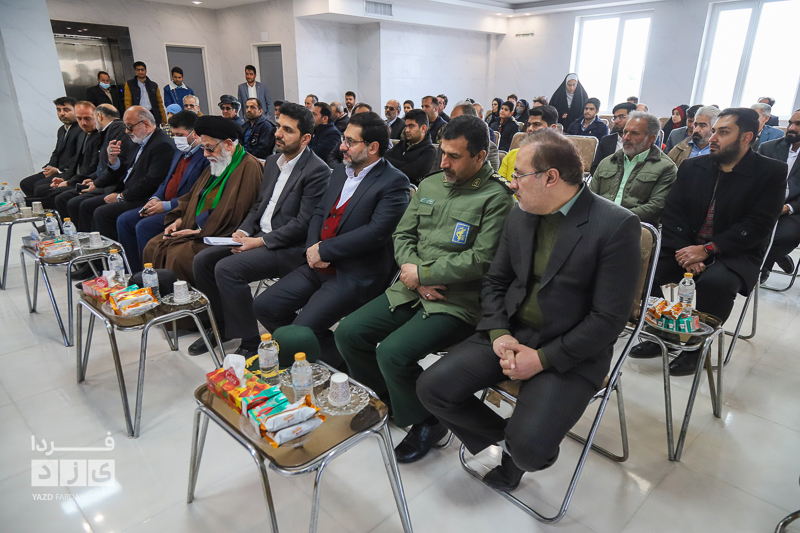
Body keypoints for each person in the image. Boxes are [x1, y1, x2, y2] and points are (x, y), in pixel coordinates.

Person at [417, 128, 642, 492]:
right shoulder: (522, 213)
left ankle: (522, 450)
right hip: (512, 330)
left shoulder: (615, 225)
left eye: (519, 175)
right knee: (432, 388)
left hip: (569, 348)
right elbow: (495, 281)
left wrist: (541, 360)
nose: (512, 183)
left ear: (550, 177)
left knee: (531, 453)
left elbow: (608, 319)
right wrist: (498, 332)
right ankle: (513, 442)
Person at [336, 115, 514, 463]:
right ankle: (386, 400)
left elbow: (482, 260)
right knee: (349, 333)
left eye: (454, 156)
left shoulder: (496, 198)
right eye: (442, 152)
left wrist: (423, 273)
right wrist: (413, 273)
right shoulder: (432, 185)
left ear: (480, 157)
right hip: (410, 286)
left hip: (456, 301)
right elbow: (402, 234)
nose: (443, 162)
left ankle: (427, 421)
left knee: (393, 353)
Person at [630, 108, 787, 376]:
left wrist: (708, 250)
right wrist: (686, 251)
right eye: (714, 131)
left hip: (735, 250)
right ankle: (662, 334)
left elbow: (759, 224)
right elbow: (673, 211)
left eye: (723, 132)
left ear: (746, 138)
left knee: (716, 283)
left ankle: (696, 347)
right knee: (655, 270)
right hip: (686, 245)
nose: (712, 137)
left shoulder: (770, 172)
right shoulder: (693, 166)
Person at [253, 112, 410, 367]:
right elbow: (319, 212)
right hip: (318, 265)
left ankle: (343, 366)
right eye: (343, 139)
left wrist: (325, 250)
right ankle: (328, 357)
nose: (342, 147)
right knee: (265, 306)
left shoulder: (394, 182)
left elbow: (376, 233)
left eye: (350, 142)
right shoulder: (339, 171)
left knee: (303, 329)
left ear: (372, 147)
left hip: (355, 272)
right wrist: (312, 249)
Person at [190, 102, 331, 357]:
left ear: (305, 138)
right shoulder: (274, 161)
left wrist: (260, 242)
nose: (278, 134)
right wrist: (244, 232)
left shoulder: (317, 170)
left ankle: (251, 340)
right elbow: (259, 206)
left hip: (287, 247)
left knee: (227, 269)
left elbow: (303, 223)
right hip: (258, 237)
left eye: (288, 130)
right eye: (279, 127)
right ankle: (221, 326)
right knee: (203, 261)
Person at [142, 115, 262, 283]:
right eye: (204, 148)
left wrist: (198, 232)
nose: (205, 154)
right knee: (153, 246)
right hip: (198, 227)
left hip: (221, 233)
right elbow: (194, 197)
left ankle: (192, 299)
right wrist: (180, 221)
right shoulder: (218, 162)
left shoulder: (249, 167)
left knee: (178, 256)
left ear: (228, 144)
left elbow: (237, 214)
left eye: (209, 148)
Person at [116, 110, 209, 273]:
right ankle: (134, 272)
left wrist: (166, 205)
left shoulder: (205, 156)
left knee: (144, 226)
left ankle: (153, 276)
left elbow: (200, 194)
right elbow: (166, 181)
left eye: (180, 135)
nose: (176, 139)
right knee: (124, 220)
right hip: (163, 203)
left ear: (195, 134)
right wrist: (155, 198)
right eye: (174, 134)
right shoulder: (179, 152)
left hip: (182, 209)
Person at [83, 106, 177, 240]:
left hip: (144, 197)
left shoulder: (162, 144)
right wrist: (114, 160)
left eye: (129, 127)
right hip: (127, 191)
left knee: (102, 213)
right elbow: (127, 169)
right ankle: (93, 247)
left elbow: (152, 181)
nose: (126, 131)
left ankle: (114, 251)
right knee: (86, 205)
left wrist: (121, 196)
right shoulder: (138, 140)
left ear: (146, 124)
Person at [55, 104, 134, 230]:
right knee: (63, 197)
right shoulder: (107, 131)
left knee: (76, 202)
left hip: (114, 185)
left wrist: (97, 183)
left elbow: (118, 164)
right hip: (103, 181)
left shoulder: (117, 129)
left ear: (99, 116)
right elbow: (101, 165)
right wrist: (93, 178)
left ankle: (87, 236)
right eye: (79, 118)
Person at [590, 112, 677, 225]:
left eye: (634, 133)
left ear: (651, 139)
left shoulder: (666, 167)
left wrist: (617, 218)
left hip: (635, 226)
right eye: (625, 132)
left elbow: (656, 207)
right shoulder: (608, 162)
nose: (626, 137)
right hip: (598, 221)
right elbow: (590, 196)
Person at [27, 101, 102, 210]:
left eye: (87, 118)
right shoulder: (82, 134)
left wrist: (69, 182)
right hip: (76, 177)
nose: (83, 123)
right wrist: (63, 179)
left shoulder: (99, 136)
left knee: (56, 196)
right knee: (39, 191)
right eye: (79, 119)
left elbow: (93, 167)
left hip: (88, 179)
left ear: (97, 116)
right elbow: (74, 161)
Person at [758, 109, 800, 283]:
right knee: (750, 229)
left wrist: (788, 208)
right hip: (764, 204)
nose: (791, 128)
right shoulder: (768, 147)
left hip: (794, 209)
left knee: (783, 237)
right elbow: (754, 179)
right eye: (790, 123)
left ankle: (764, 267)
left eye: (798, 124)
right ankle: (776, 256)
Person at [20, 97, 82, 197]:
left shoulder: (81, 129)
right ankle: (38, 205)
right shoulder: (62, 130)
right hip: (57, 169)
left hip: (70, 171)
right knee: (25, 183)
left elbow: (78, 156)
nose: (62, 113)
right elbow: (57, 152)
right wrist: (50, 166)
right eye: (59, 110)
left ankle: (47, 205)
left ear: (76, 111)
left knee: (39, 186)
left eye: (66, 110)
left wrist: (57, 170)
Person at [498, 105, 559, 181]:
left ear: (552, 128)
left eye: (537, 124)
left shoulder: (560, 160)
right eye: (529, 125)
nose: (530, 129)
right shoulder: (512, 155)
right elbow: (498, 186)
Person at [384, 109, 437, 186]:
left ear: (423, 129)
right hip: (389, 183)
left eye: (411, 126)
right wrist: (406, 164)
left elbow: (412, 173)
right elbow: (385, 158)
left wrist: (393, 165)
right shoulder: (401, 144)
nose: (407, 130)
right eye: (406, 126)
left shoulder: (429, 151)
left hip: (409, 188)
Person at [591, 102, 637, 174]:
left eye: (621, 117)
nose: (616, 121)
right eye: (615, 118)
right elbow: (595, 168)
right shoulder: (606, 141)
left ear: (633, 118)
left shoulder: (641, 142)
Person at [326, 103, 372, 168]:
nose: (360, 120)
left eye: (364, 117)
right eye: (357, 116)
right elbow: (332, 156)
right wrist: (340, 169)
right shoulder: (345, 135)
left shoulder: (374, 138)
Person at [123, 61, 167, 126]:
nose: (140, 72)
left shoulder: (153, 85)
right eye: (138, 70)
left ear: (146, 71)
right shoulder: (130, 84)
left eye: (142, 70)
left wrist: (163, 119)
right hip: (138, 114)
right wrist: (129, 117)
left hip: (152, 113)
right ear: (135, 71)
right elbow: (128, 102)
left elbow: (159, 103)